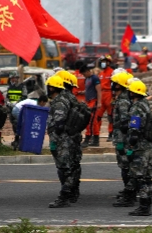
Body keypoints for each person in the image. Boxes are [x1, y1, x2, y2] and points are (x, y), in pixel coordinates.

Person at [124, 78, 152, 216]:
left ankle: (143, 206)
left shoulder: (136, 107)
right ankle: (146, 204)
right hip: (149, 144)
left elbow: (134, 129)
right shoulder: (146, 104)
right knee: (147, 176)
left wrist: (130, 144)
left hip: (140, 147)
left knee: (139, 176)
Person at [55, 70, 84, 203]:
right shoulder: (73, 98)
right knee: (74, 165)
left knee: (65, 166)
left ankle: (66, 194)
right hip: (74, 136)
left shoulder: (62, 98)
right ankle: (74, 191)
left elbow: (59, 122)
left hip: (65, 138)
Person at [111, 70, 135, 207]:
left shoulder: (123, 101)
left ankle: (130, 195)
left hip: (124, 140)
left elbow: (125, 123)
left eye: (114, 83)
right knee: (126, 167)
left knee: (126, 167)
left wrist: (120, 141)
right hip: (124, 138)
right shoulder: (124, 98)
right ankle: (129, 191)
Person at [82, 64, 101, 147]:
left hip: (94, 101)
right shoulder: (87, 79)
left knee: (90, 121)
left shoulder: (95, 78)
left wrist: (99, 102)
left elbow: (99, 91)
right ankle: (95, 139)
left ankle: (88, 138)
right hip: (88, 101)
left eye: (84, 74)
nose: (83, 76)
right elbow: (89, 89)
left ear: (87, 71)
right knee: (93, 121)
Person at [97, 55, 115, 142]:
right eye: (102, 61)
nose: (102, 63)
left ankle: (111, 134)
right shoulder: (101, 74)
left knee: (110, 116)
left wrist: (113, 97)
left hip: (109, 94)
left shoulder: (112, 73)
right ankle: (96, 133)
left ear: (108, 62)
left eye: (104, 61)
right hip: (102, 95)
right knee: (97, 116)